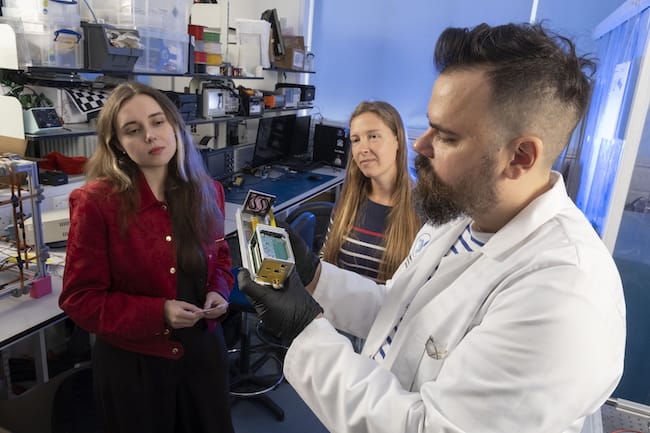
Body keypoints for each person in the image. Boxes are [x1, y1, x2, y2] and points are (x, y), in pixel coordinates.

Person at [238, 22, 626, 433]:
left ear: (520, 157)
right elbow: (400, 310)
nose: (419, 146)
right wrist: (316, 278)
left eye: (447, 136)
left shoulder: (563, 296)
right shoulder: (466, 213)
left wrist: (305, 330)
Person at [59, 81, 235, 433]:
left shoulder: (207, 190)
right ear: (118, 144)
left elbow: (221, 259)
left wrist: (219, 290)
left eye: (157, 122)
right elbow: (80, 300)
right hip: (136, 370)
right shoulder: (96, 203)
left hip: (204, 356)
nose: (151, 136)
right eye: (133, 130)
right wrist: (159, 313)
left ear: (174, 125)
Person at [320, 101, 421, 284]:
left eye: (373, 136)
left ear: (397, 140)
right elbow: (326, 261)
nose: (363, 149)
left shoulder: (423, 207)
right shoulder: (349, 200)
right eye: (356, 140)